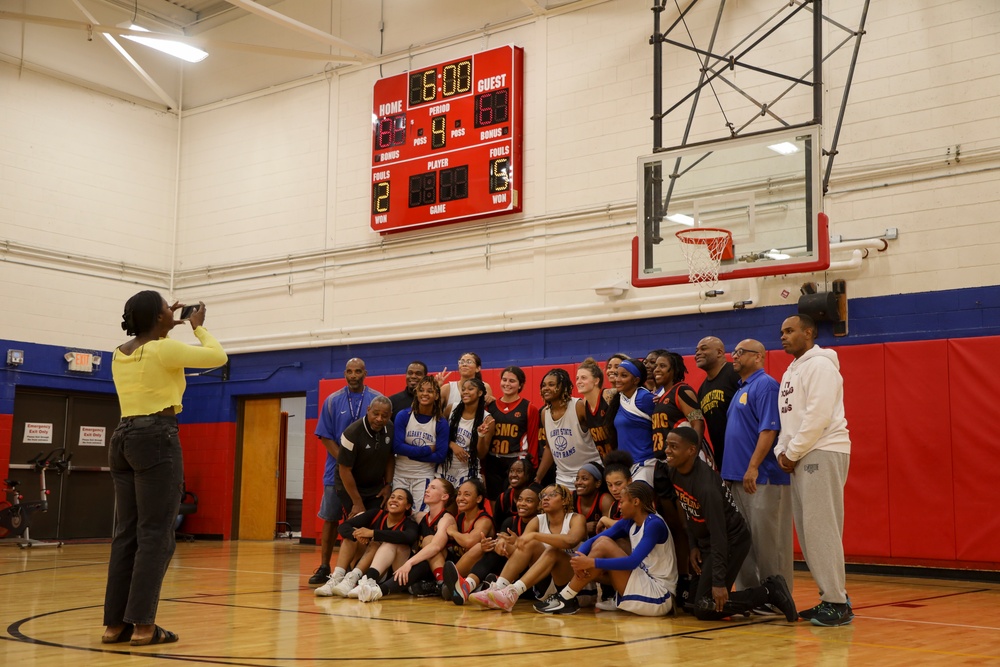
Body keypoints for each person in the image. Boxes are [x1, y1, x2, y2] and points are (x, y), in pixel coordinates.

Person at [103, 292, 227, 646]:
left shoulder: (120, 352)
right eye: (165, 309)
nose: (171, 313)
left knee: (126, 534)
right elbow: (218, 357)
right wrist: (197, 327)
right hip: (156, 437)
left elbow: (153, 352)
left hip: (123, 438)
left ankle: (115, 625)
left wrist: (162, 325)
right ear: (158, 318)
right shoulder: (163, 349)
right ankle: (143, 626)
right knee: (156, 535)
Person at [663, 427, 797, 623]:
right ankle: (733, 603)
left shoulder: (706, 487)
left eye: (673, 447)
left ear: (691, 450)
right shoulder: (673, 470)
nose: (667, 450)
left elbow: (720, 535)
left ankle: (770, 591)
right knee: (692, 604)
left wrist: (719, 582)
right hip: (707, 542)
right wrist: (693, 545)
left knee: (705, 608)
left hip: (731, 542)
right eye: (667, 445)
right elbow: (688, 509)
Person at [776, 314, 853, 627]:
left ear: (808, 333)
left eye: (790, 330)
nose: (783, 336)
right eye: (781, 331)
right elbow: (788, 421)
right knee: (809, 533)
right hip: (801, 454)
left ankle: (836, 602)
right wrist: (783, 450)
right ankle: (832, 597)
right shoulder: (792, 370)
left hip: (822, 449)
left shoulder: (820, 365)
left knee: (822, 528)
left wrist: (792, 453)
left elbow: (818, 416)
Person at [537, 482, 677, 616]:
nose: (619, 507)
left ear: (635, 502)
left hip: (660, 595)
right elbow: (593, 540)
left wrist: (591, 563)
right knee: (601, 542)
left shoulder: (654, 524)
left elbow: (632, 562)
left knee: (604, 545)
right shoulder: (631, 521)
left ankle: (565, 598)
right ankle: (567, 597)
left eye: (622, 502)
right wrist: (580, 558)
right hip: (644, 582)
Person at [722, 339, 793, 593]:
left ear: (759, 357)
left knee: (769, 544)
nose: (735, 356)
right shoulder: (742, 388)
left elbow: (769, 429)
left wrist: (753, 467)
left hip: (762, 478)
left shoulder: (765, 385)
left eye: (741, 352)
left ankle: (776, 597)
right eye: (735, 351)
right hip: (737, 478)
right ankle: (750, 596)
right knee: (743, 542)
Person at [310, 358, 383, 587]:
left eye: (358, 371)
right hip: (335, 471)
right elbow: (324, 436)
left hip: (366, 474)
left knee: (363, 519)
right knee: (331, 518)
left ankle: (355, 568)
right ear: (345, 374)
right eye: (350, 371)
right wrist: (345, 460)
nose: (353, 375)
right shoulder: (332, 401)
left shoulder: (376, 399)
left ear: (365, 373)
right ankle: (324, 566)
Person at [468, 483, 587, 612]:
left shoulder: (576, 518)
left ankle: (512, 592)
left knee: (553, 551)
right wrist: (506, 546)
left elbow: (571, 541)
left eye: (552, 495)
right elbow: (522, 551)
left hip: (575, 585)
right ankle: (499, 589)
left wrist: (535, 536)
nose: (546, 498)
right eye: (544, 496)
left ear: (564, 500)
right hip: (546, 584)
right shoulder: (537, 520)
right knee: (530, 544)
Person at [351, 478, 457, 602]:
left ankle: (442, 583)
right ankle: (369, 581)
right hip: (420, 567)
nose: (427, 490)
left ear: (444, 496)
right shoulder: (420, 516)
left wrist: (409, 563)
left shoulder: (447, 518)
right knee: (393, 543)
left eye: (433, 488)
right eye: (428, 487)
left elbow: (436, 547)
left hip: (441, 566)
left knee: (429, 542)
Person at [443, 484, 541, 606]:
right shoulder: (510, 521)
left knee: (511, 549)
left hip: (534, 579)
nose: (522, 503)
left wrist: (516, 544)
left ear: (539, 505)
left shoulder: (542, 524)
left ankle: (481, 586)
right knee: (493, 546)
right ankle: (469, 585)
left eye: (529, 501)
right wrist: (499, 543)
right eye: (520, 499)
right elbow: (502, 537)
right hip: (509, 572)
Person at [314, 488, 419, 597]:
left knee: (375, 543)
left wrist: (373, 533)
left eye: (400, 498)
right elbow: (343, 527)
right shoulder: (376, 513)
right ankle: (337, 578)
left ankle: (355, 579)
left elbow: (409, 537)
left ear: (408, 506)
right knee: (352, 535)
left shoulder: (409, 524)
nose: (394, 500)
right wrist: (358, 535)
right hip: (362, 564)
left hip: (385, 572)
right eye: (392, 497)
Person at [534, 369, 602, 488]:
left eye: (551, 384)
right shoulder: (545, 413)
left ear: (563, 386)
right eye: (543, 385)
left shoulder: (578, 406)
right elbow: (550, 448)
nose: (545, 388)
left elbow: (600, 436)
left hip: (589, 474)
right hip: (563, 478)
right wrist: (538, 478)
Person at [391, 376, 450, 510]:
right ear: (416, 393)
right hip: (400, 474)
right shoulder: (403, 415)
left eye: (429, 391)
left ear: (436, 395)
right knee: (398, 512)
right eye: (421, 390)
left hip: (424, 476)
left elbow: (440, 456)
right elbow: (397, 446)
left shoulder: (441, 422)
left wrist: (410, 453)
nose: (424, 394)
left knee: (420, 515)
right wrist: (427, 450)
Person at [334, 396, 395, 519]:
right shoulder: (352, 433)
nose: (379, 419)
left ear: (390, 415)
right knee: (356, 525)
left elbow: (389, 457)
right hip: (350, 489)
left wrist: (388, 485)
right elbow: (344, 470)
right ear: (368, 410)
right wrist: (357, 502)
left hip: (375, 489)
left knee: (376, 525)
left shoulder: (390, 427)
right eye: (375, 414)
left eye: (384, 416)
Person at [484, 366, 539, 496]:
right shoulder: (489, 407)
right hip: (493, 461)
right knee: (495, 504)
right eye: (504, 380)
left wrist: (532, 468)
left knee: (512, 501)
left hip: (517, 460)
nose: (507, 384)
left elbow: (533, 440)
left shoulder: (529, 408)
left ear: (520, 385)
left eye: (512, 381)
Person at [606, 358, 657, 484]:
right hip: (627, 466)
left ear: (636, 380)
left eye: (624, 376)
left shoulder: (645, 398)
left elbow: (662, 427)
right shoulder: (619, 399)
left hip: (646, 463)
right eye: (616, 374)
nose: (617, 379)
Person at [651, 351, 706, 463]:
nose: (656, 369)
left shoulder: (682, 391)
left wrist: (693, 455)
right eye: (656, 366)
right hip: (665, 459)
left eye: (662, 366)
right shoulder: (661, 397)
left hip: (683, 458)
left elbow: (698, 423)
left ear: (674, 370)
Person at [439, 378, 495, 488]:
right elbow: (438, 434)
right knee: (447, 503)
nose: (465, 392)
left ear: (480, 393)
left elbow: (481, 454)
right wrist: (452, 445)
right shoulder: (451, 409)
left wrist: (481, 435)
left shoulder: (487, 419)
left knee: (463, 503)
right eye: (463, 389)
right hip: (446, 466)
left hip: (468, 469)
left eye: (470, 389)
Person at [695, 336, 741, 470]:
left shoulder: (734, 373)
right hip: (723, 458)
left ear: (720, 352)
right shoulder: (702, 389)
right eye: (696, 350)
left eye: (704, 348)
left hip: (743, 454)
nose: (698, 353)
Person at [576, 359, 612, 459]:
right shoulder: (583, 404)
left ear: (596, 380)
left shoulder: (608, 395)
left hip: (623, 457)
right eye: (577, 378)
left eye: (583, 378)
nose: (579, 382)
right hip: (605, 461)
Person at [492, 457, 535, 529]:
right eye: (511, 471)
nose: (514, 475)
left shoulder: (535, 495)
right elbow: (497, 525)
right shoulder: (503, 498)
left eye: (519, 471)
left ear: (527, 475)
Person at [572, 463, 612, 537]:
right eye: (577, 479)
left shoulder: (605, 500)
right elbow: (559, 526)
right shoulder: (570, 497)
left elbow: (609, 531)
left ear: (597, 483)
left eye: (584, 479)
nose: (578, 482)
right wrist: (583, 528)